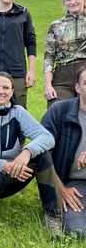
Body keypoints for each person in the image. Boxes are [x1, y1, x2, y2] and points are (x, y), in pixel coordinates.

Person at [0, 72, 62, 235]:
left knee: (43, 155)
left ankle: (53, 215)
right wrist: (4, 165)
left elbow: (47, 137)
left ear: (12, 92)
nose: (0, 91)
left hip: (15, 173)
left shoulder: (18, 112)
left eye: (5, 87)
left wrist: (26, 152)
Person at [42, 65, 86, 236]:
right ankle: (53, 210)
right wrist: (60, 187)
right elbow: (42, 152)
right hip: (73, 183)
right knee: (78, 230)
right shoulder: (59, 111)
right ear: (77, 87)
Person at [44, 0, 86, 107]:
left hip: (85, 72)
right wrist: (47, 85)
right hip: (62, 77)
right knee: (58, 112)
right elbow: (49, 57)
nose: (73, 2)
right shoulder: (55, 26)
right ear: (64, 3)